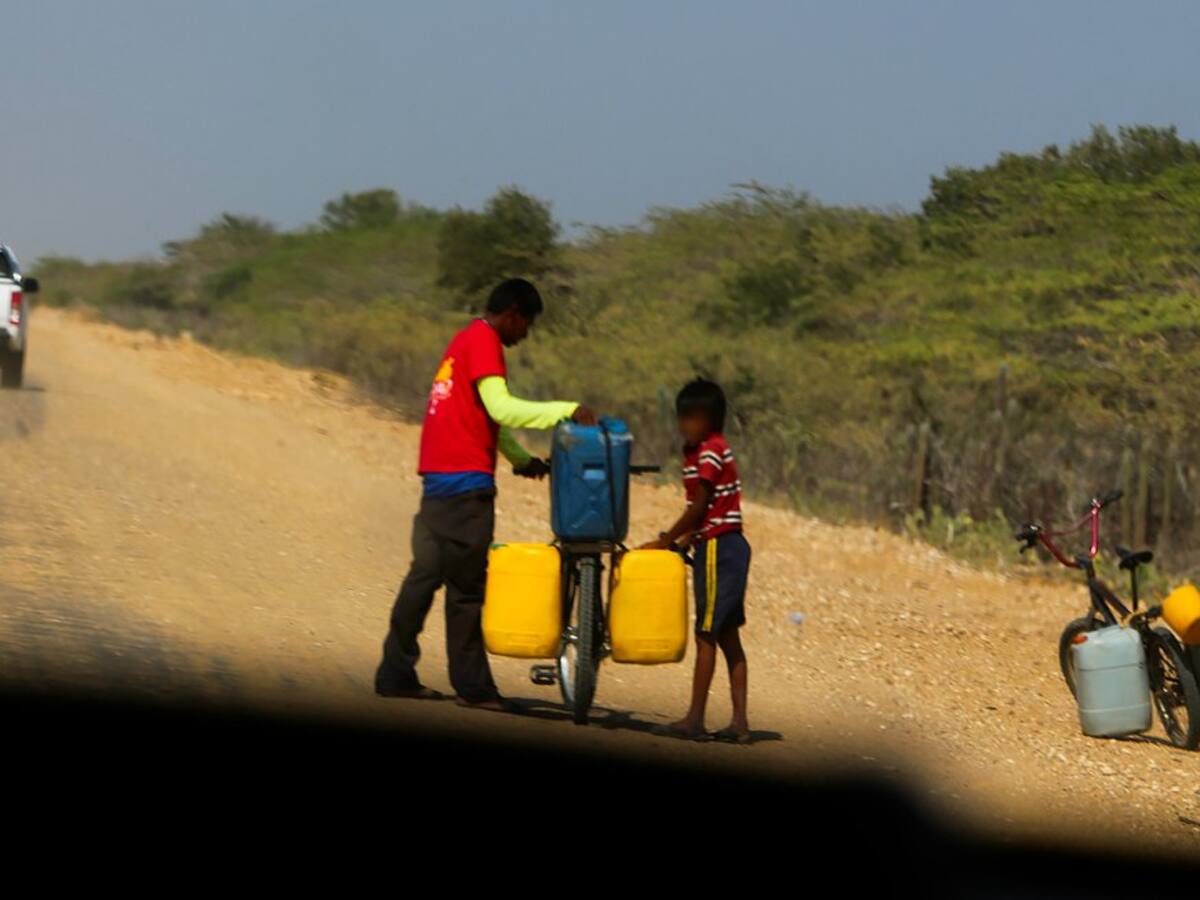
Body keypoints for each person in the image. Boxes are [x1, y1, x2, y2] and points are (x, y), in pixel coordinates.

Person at [375, 278, 596, 710]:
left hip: (438, 482)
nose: (525, 334)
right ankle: (474, 689)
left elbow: (482, 418)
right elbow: (502, 408)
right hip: (465, 488)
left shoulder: (463, 340)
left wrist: (518, 459)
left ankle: (394, 673)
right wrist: (565, 410)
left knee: (423, 579)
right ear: (512, 313)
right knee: (467, 591)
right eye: (527, 324)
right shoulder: (485, 342)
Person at [640, 378, 752, 743]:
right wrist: (686, 541)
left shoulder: (708, 451)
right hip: (726, 543)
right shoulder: (708, 449)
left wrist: (666, 540)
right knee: (728, 637)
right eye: (681, 417)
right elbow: (711, 510)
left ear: (710, 420)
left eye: (691, 418)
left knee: (706, 635)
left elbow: (701, 506)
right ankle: (739, 725)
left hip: (719, 548)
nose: (683, 425)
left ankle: (694, 720)